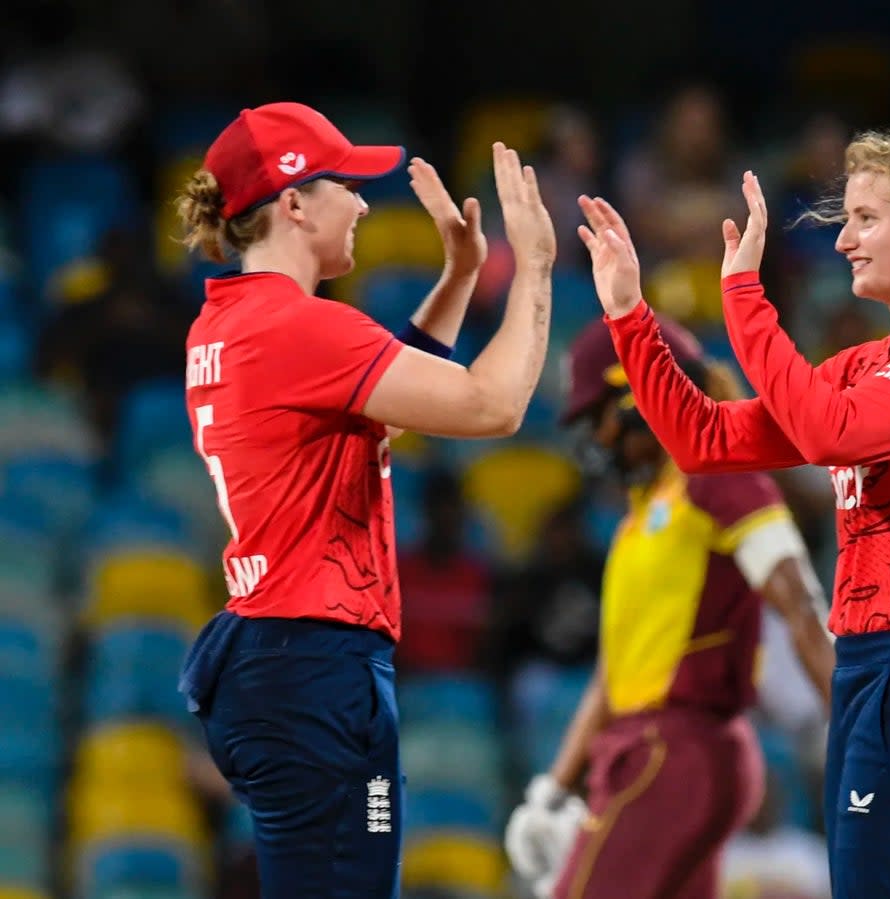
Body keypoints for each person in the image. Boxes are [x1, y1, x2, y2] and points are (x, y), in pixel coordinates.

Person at [572, 129, 890, 899]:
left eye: (865, 217)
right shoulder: (870, 366)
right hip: (877, 665)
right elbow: (703, 439)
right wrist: (632, 317)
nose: (844, 240)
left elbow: (829, 431)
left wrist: (743, 297)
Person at [174, 101, 555, 899]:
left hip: (278, 660)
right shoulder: (298, 327)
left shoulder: (230, 322)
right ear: (293, 203)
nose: (361, 202)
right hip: (314, 665)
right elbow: (493, 406)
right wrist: (537, 267)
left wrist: (455, 279)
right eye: (345, 183)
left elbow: (381, 395)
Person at [504, 315, 836, 899]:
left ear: (639, 398)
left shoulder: (715, 478)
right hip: (661, 755)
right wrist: (554, 789)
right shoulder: (644, 511)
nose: (595, 439)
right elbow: (615, 672)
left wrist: (862, 731)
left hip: (672, 753)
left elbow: (803, 606)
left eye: (597, 418)